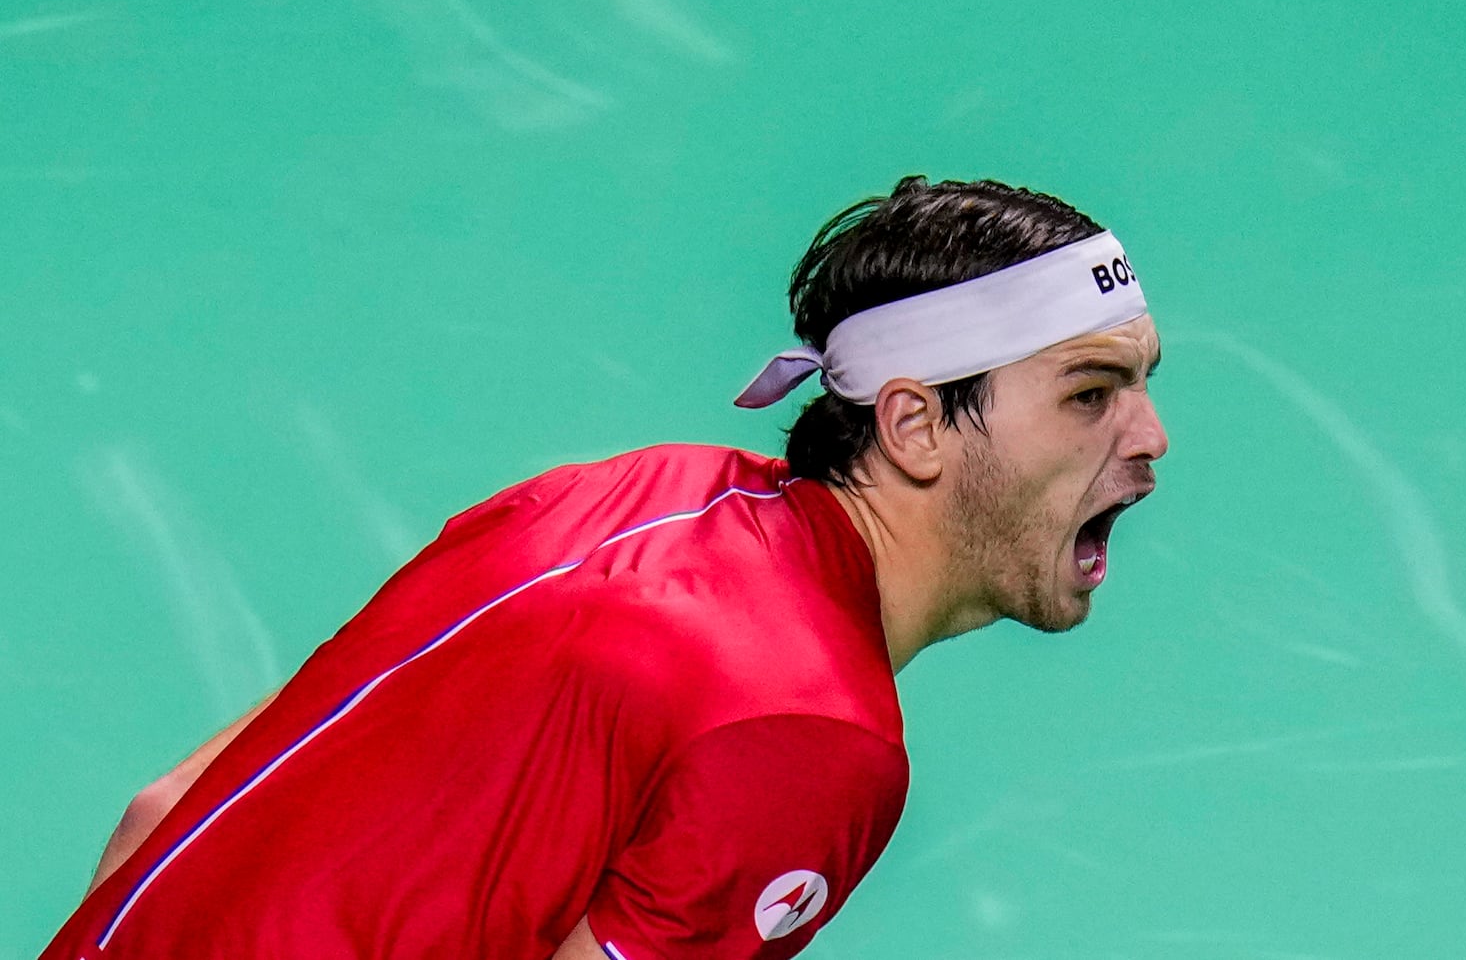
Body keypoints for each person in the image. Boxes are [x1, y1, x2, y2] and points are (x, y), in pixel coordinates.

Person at [41, 175, 1168, 960]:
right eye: (1087, 394)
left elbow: (167, 809)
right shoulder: (815, 738)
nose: (1148, 435)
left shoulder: (620, 490)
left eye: (1141, 382)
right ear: (916, 424)